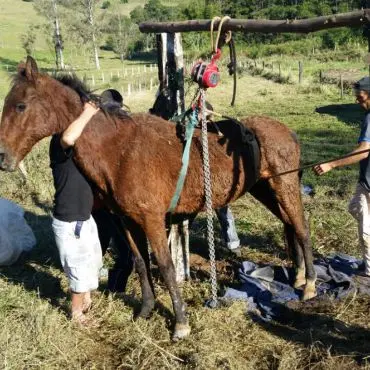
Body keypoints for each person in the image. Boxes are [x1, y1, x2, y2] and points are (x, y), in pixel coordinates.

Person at [50, 102, 102, 323]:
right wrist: (89, 112)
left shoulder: (80, 151)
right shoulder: (59, 144)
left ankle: (86, 298)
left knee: (93, 261)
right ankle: (76, 312)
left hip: (84, 218)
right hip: (70, 222)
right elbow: (69, 137)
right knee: (79, 266)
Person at [313, 76, 370, 278]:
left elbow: (363, 151)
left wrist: (330, 164)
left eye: (360, 97)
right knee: (355, 207)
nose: (357, 101)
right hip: (365, 180)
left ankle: (369, 272)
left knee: (365, 225)